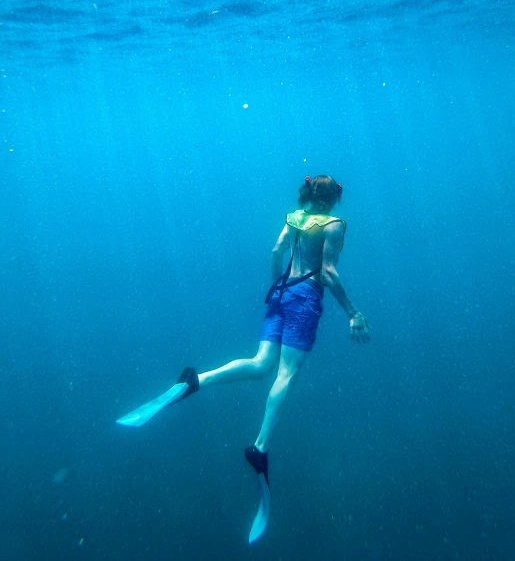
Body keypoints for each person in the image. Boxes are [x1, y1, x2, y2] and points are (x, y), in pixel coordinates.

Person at [116, 174, 370, 539]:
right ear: (334, 198)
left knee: (260, 363)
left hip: (282, 291)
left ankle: (195, 381)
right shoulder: (333, 226)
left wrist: (277, 287)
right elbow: (328, 272)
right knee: (287, 372)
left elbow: (276, 252)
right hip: (306, 297)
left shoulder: (294, 218)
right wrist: (353, 313)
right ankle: (260, 446)